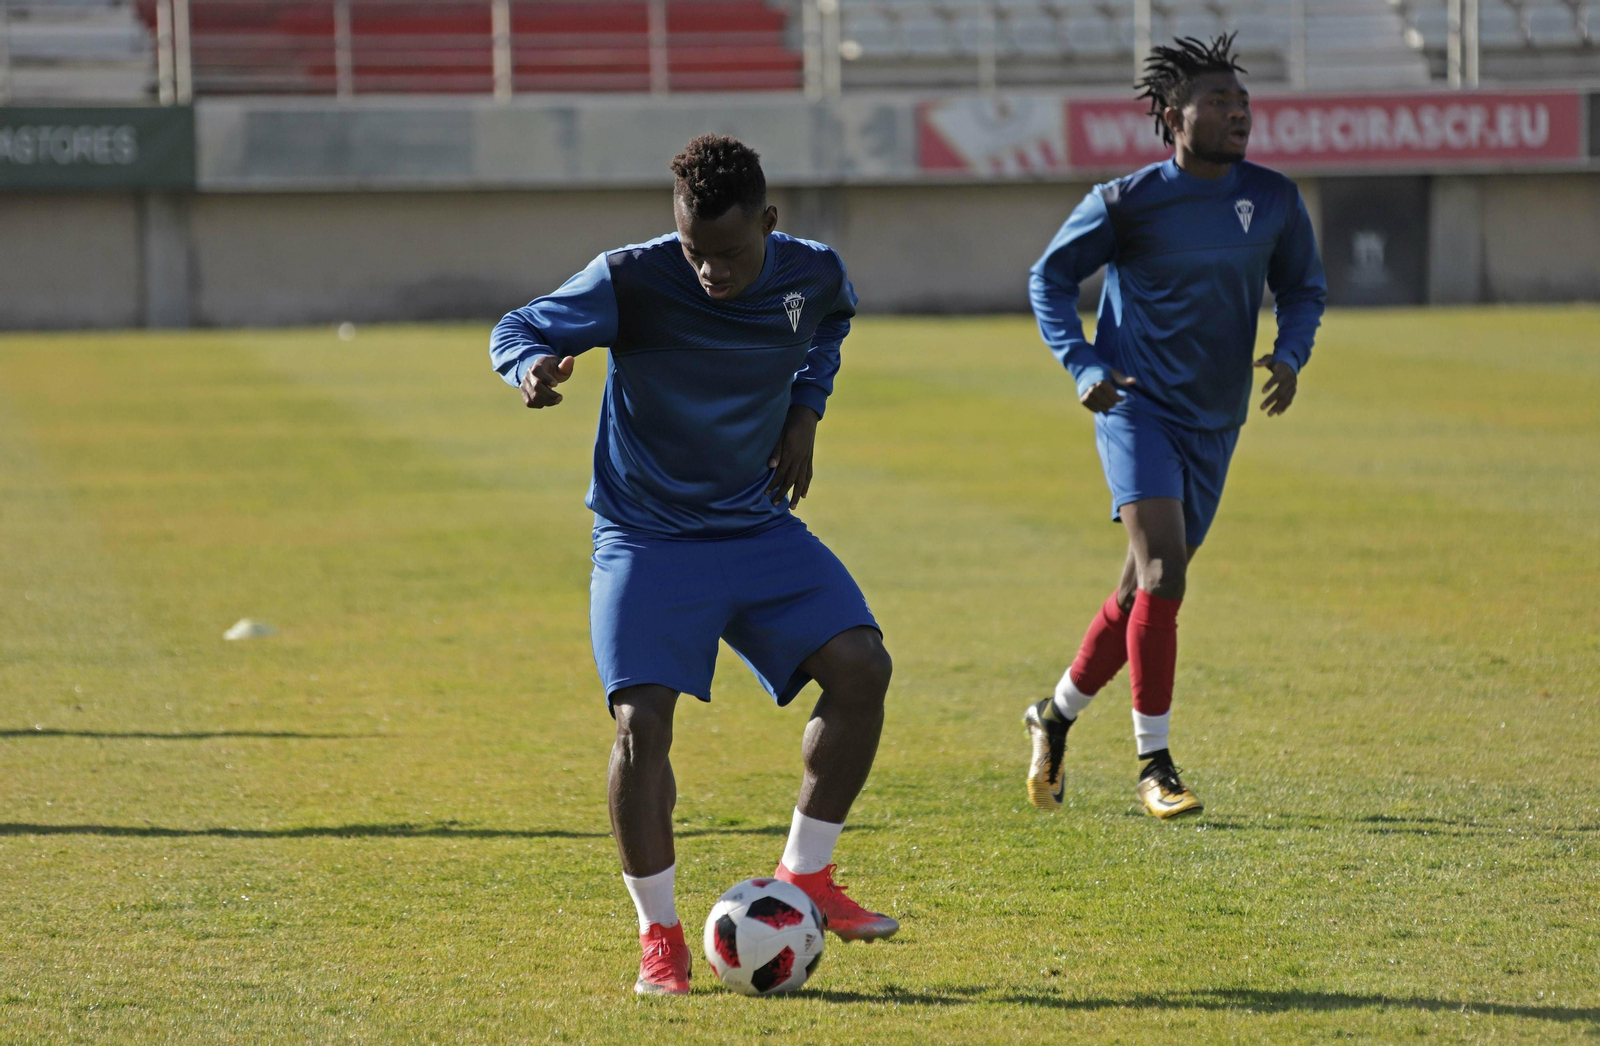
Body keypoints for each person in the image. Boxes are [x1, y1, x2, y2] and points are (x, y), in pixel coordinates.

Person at [490, 134, 898, 996]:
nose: (709, 271)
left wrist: (805, 411)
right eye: (693, 250)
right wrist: (531, 368)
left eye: (729, 251)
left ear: (770, 222)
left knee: (861, 666)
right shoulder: (631, 278)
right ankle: (660, 934)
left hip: (755, 525)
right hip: (647, 535)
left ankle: (808, 878)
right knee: (642, 722)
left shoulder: (812, 272)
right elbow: (517, 324)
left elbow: (831, 324)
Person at [1022, 35, 1326, 819]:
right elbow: (1050, 278)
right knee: (1164, 574)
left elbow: (1302, 289)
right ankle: (1154, 765)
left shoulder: (1275, 198)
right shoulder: (1125, 202)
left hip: (1216, 419)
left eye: (1243, 103)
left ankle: (1052, 717)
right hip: (1135, 407)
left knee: (1137, 593)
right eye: (1219, 102)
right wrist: (1085, 366)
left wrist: (1291, 354)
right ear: (1171, 116)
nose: (1238, 113)